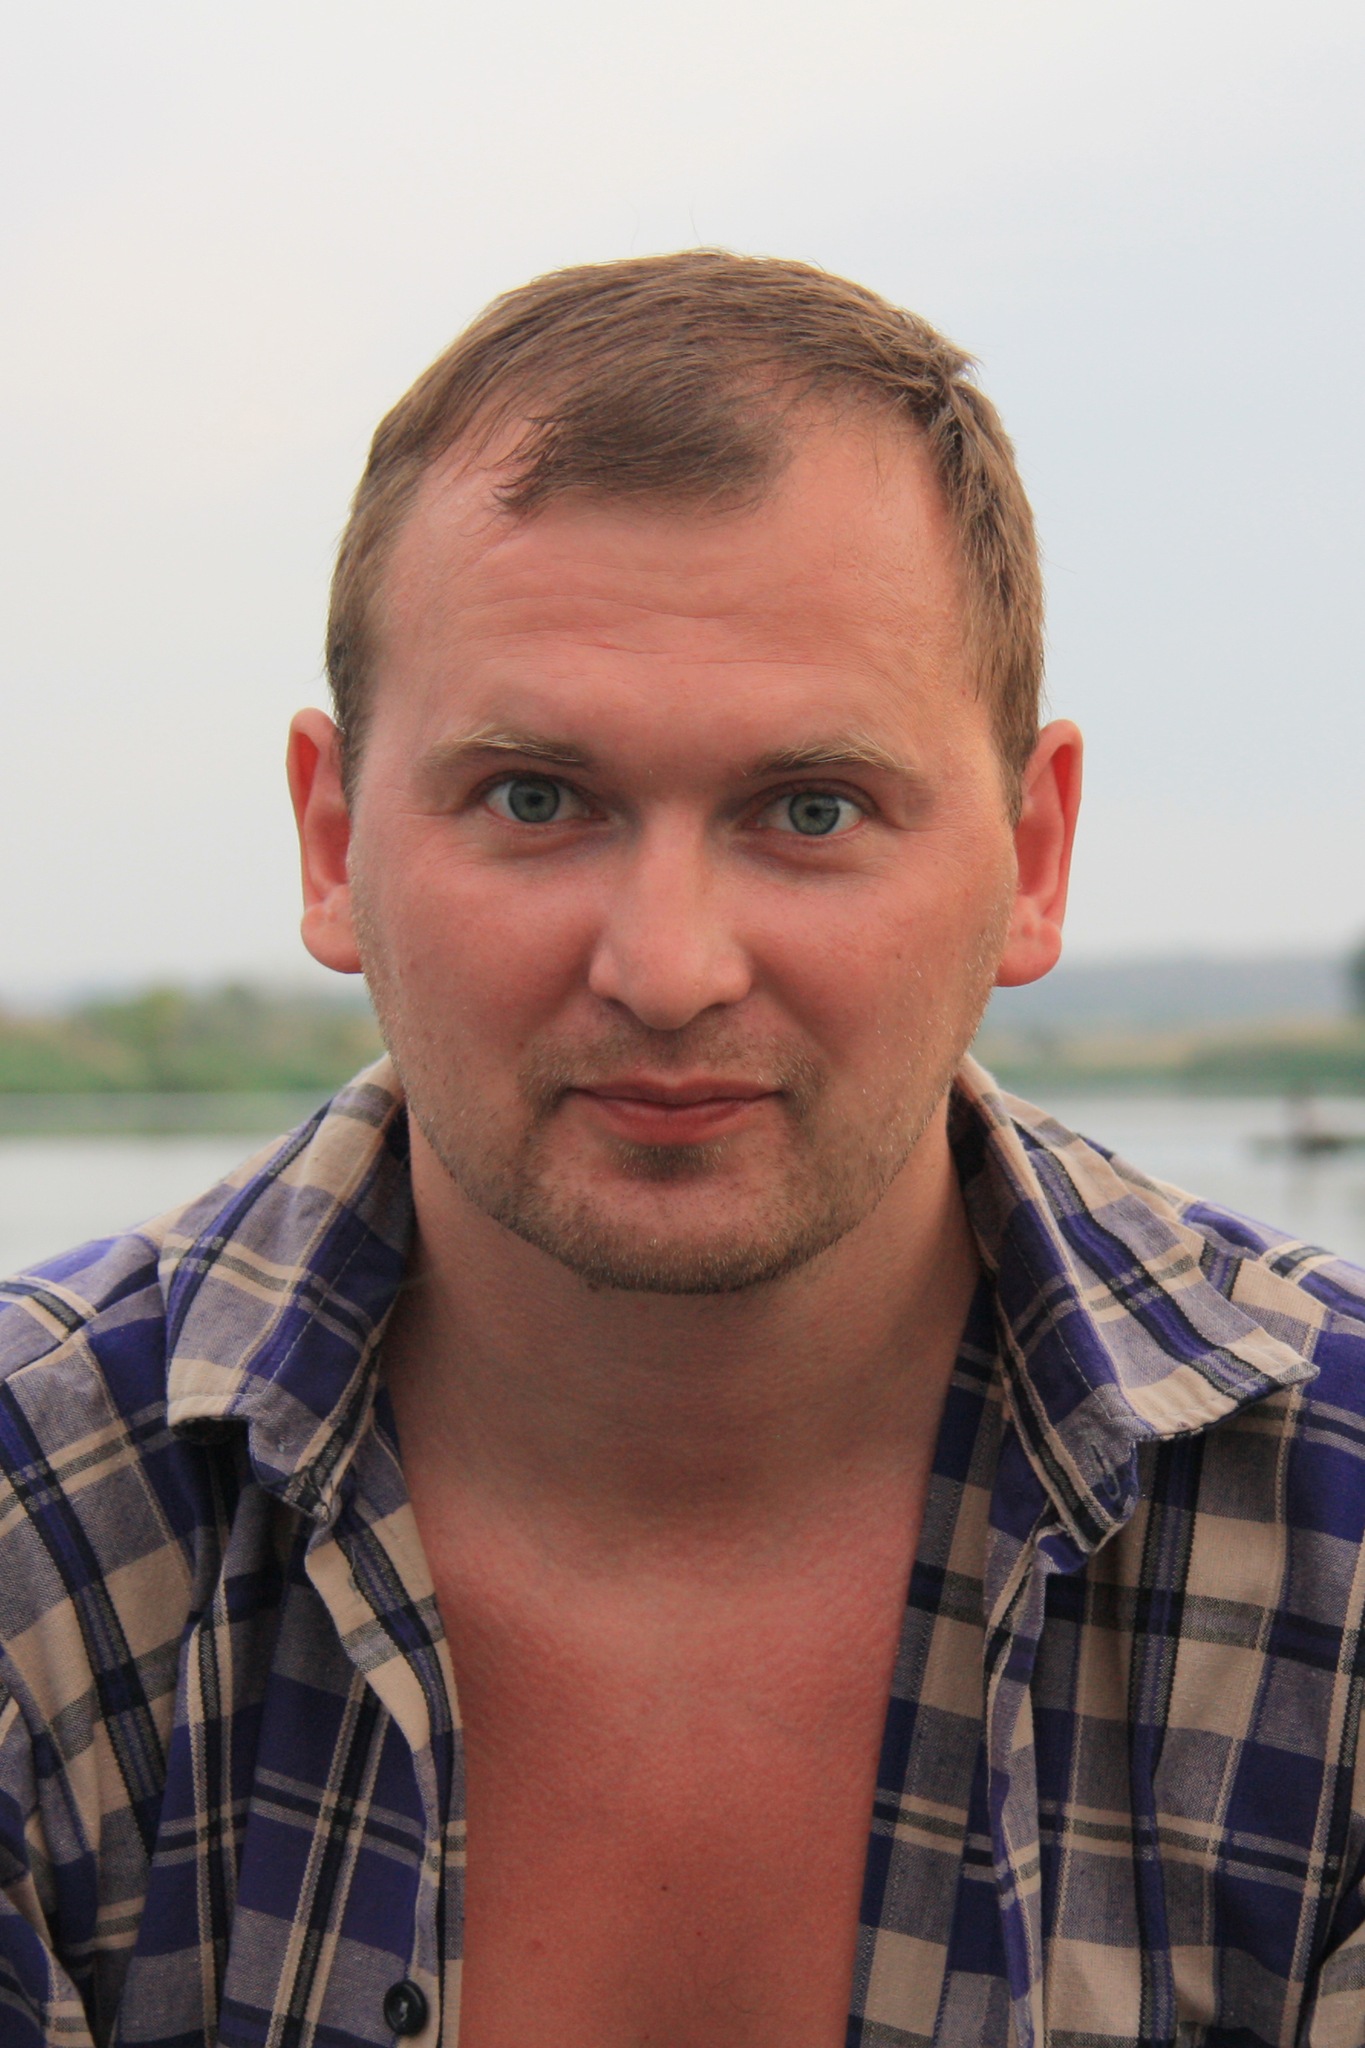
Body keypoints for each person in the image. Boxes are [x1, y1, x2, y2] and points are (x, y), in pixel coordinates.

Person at [1, 252, 1363, 2048]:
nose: (665, 969)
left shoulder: (1339, 1526)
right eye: (534, 798)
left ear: (1031, 858)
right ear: (331, 841)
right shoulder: (32, 1523)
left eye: (810, 808)